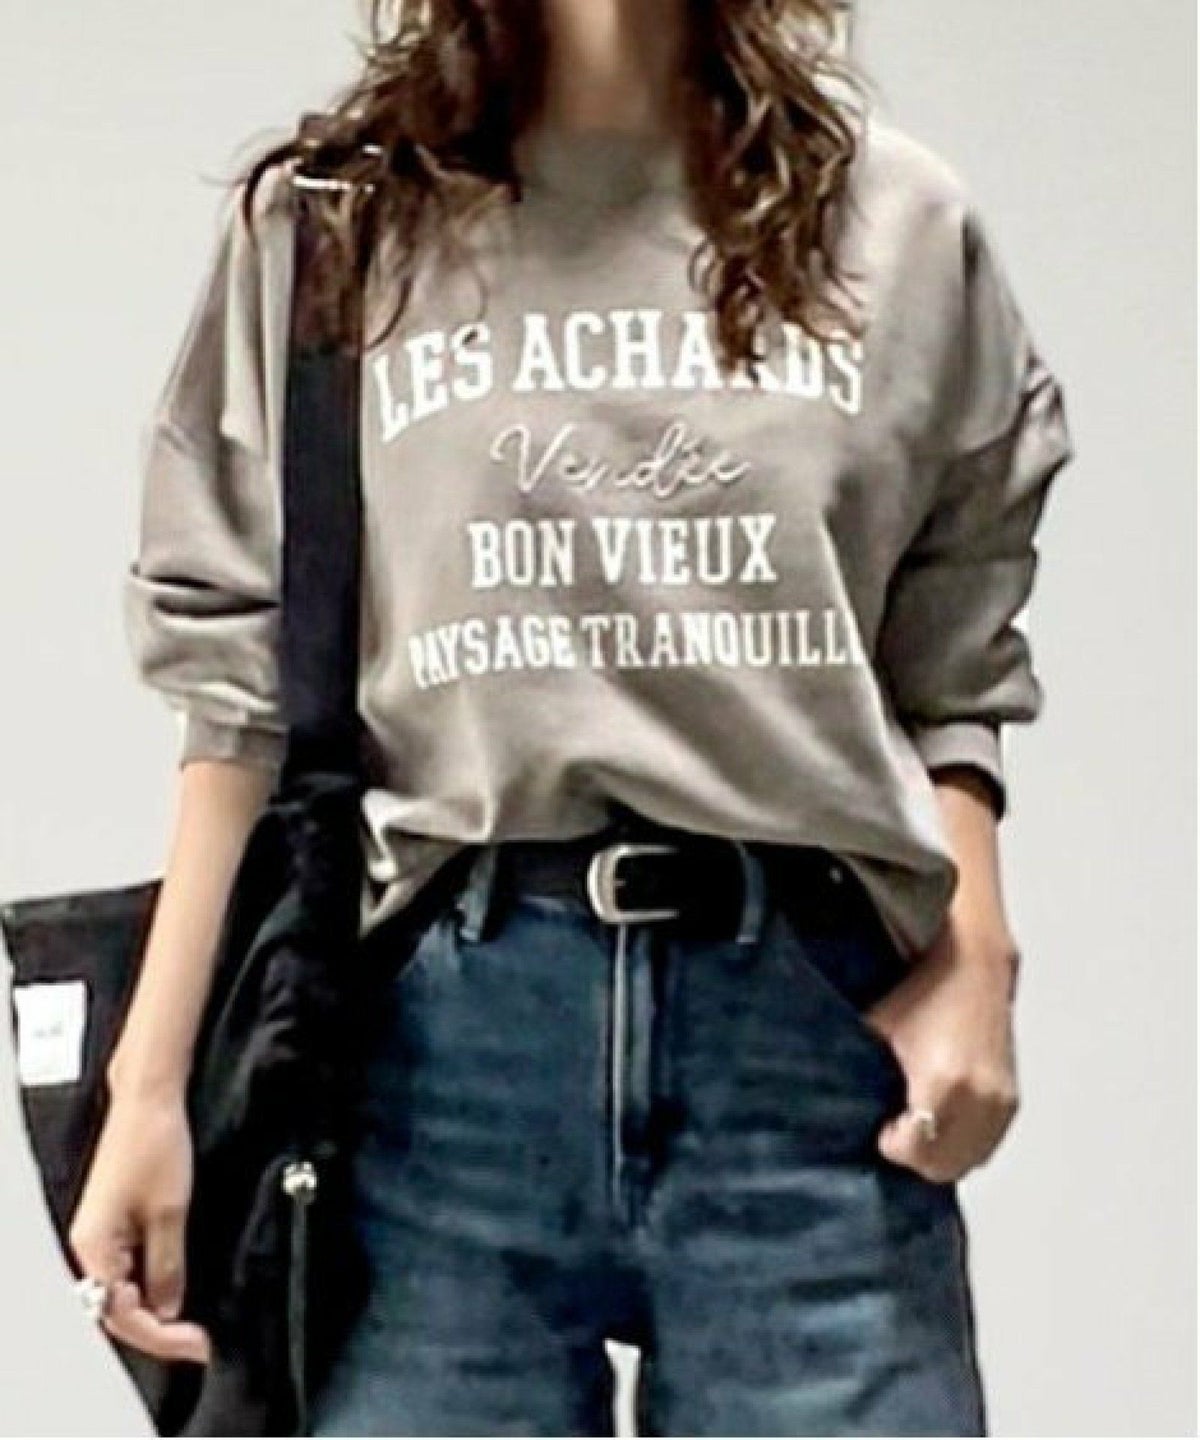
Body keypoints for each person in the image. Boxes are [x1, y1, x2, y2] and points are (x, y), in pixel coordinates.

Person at [66, 0, 1075, 1434]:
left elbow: (951, 648)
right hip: (434, 1068)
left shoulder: (897, 225)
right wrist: (148, 1085)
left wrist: (980, 957)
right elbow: (240, 690)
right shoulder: (338, 229)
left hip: (803, 1044)